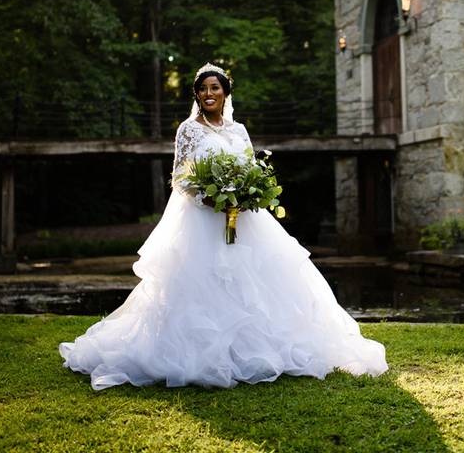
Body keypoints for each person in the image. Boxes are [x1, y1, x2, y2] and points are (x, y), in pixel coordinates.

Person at [59, 62, 388, 389]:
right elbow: (179, 177)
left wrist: (243, 196)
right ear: (197, 95)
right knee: (203, 283)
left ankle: (252, 349)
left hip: (244, 219)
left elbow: (249, 169)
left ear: (226, 92)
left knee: (254, 282)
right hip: (201, 220)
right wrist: (211, 200)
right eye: (202, 89)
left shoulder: (239, 131)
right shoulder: (188, 130)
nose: (208, 93)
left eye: (214, 87)